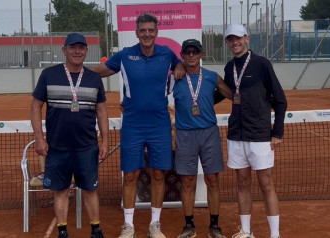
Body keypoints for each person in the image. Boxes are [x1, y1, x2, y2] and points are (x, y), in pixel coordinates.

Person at [90, 14, 185, 238]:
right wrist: (77, 69)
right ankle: (128, 226)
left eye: (151, 30)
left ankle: (155, 224)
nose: (147, 34)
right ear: (136, 33)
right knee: (131, 175)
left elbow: (181, 63)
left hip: (160, 124)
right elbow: (102, 72)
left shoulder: (166, 54)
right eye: (143, 30)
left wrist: (179, 66)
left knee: (158, 174)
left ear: (157, 32)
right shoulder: (125, 55)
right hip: (132, 124)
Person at [30, 33, 109, 238]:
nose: (77, 51)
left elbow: (101, 111)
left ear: (86, 51)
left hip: (87, 146)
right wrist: (39, 138)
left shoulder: (94, 78)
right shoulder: (49, 74)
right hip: (57, 147)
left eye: (81, 48)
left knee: (90, 190)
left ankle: (96, 229)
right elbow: (36, 106)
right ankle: (62, 231)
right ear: (64, 50)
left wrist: (105, 141)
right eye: (72, 47)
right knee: (61, 190)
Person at [223, 24, 287, 238]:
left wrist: (277, 133)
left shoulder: (262, 64)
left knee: (266, 184)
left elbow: (280, 100)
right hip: (236, 135)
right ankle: (246, 232)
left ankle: (275, 235)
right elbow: (224, 94)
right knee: (242, 182)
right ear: (227, 42)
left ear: (247, 39)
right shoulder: (229, 67)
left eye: (239, 38)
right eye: (231, 39)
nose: (235, 42)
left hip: (259, 135)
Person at [171, 39, 232, 238]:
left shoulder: (212, 77)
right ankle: (189, 225)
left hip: (209, 133)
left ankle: (215, 226)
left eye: (194, 52)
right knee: (187, 181)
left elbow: (233, 94)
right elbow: (153, 95)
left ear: (201, 54)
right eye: (186, 52)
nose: (191, 55)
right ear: (182, 55)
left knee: (212, 179)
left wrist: (261, 96)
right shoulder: (175, 78)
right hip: (185, 135)